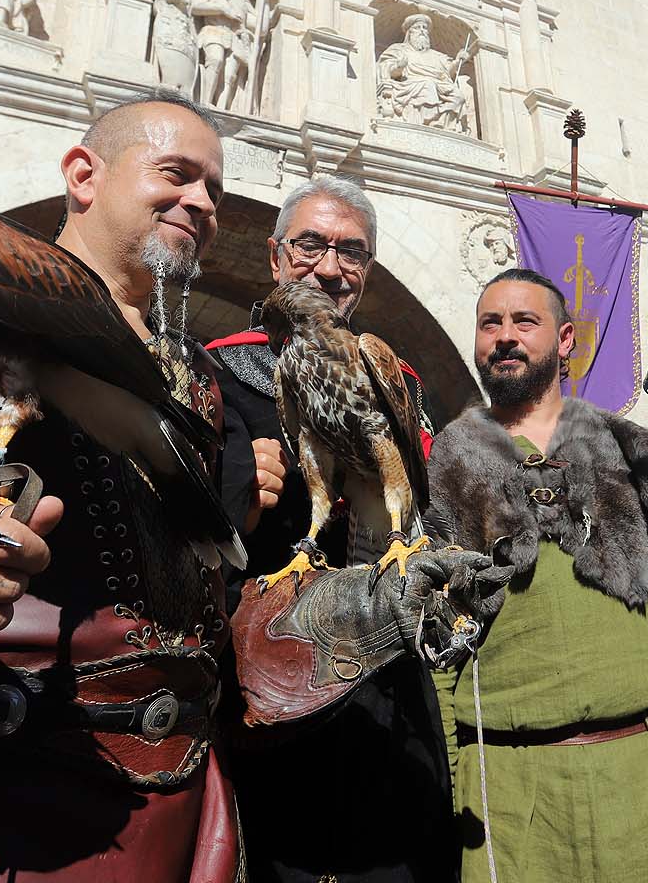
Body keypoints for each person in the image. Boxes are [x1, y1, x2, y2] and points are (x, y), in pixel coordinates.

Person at [0, 93, 490, 882]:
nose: (203, 201)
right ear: (83, 173)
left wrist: (358, 609)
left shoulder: (207, 392)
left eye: (214, 186)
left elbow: (206, 626)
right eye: (175, 172)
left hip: (181, 827)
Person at [424, 268, 648, 882]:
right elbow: (437, 635)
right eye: (489, 323)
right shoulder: (447, 459)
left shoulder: (635, 448)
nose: (504, 337)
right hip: (513, 787)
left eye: (525, 321)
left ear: (566, 339)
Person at [205, 176, 452, 883]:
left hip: (384, 685)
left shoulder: (394, 371)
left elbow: (426, 502)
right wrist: (233, 487)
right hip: (267, 679)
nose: (331, 264)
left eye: (352, 251)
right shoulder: (220, 367)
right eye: (311, 244)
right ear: (277, 259)